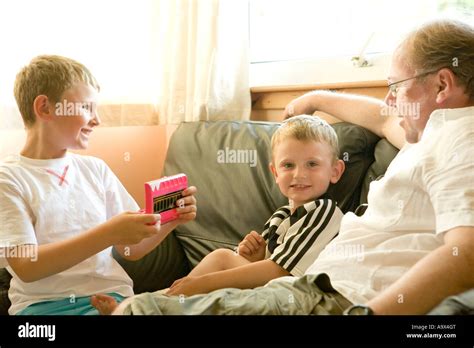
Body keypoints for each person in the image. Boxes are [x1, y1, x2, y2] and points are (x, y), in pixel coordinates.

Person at [107, 19, 473, 315]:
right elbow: (381, 119)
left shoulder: (461, 140)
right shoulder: (427, 134)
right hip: (312, 289)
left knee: (141, 311)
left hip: (334, 297)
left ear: (442, 84)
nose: (389, 100)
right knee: (143, 307)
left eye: (396, 86)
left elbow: (466, 254)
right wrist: (314, 98)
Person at [0, 55, 197, 315]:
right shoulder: (10, 179)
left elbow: (131, 250)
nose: (97, 120)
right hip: (44, 308)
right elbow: (27, 265)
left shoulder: (95, 169)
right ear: (45, 108)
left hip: (114, 298)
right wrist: (108, 233)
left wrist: (170, 220)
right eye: (86, 108)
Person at [92, 115, 346, 314]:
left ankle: (149, 306)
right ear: (275, 172)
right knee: (208, 277)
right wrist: (256, 255)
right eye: (288, 165)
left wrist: (203, 283)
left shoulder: (323, 212)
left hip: (293, 293)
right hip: (267, 288)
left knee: (221, 260)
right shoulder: (282, 214)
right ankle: (144, 305)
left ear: (335, 171)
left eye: (312, 164)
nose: (299, 174)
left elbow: (281, 271)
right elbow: (266, 263)